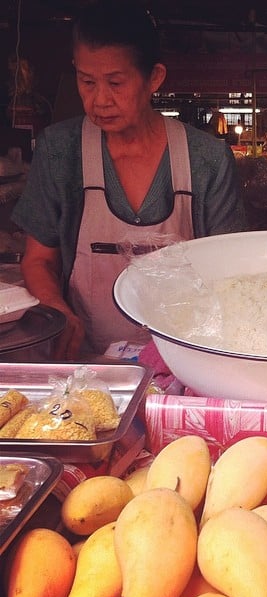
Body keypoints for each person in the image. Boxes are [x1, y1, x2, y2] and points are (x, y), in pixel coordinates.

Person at [11, 0, 247, 360]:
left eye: (116, 83)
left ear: (154, 78)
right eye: (86, 81)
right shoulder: (60, 151)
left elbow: (232, 276)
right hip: (86, 364)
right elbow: (38, 260)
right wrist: (57, 311)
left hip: (187, 362)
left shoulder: (206, 159)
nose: (99, 100)